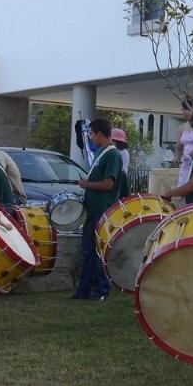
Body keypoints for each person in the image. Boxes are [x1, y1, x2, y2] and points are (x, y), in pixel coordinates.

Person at [72, 118, 121, 301]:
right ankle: (84, 289)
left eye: (92, 134)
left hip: (102, 210)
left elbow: (109, 184)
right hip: (92, 211)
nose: (90, 138)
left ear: (100, 134)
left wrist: (87, 184)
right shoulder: (101, 152)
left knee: (100, 253)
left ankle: (101, 290)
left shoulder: (112, 155)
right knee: (88, 252)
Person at [175, 100, 193, 187]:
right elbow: (178, 147)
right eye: (182, 109)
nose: (183, 112)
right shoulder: (181, 127)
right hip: (185, 162)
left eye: (185, 109)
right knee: (183, 185)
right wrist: (177, 157)